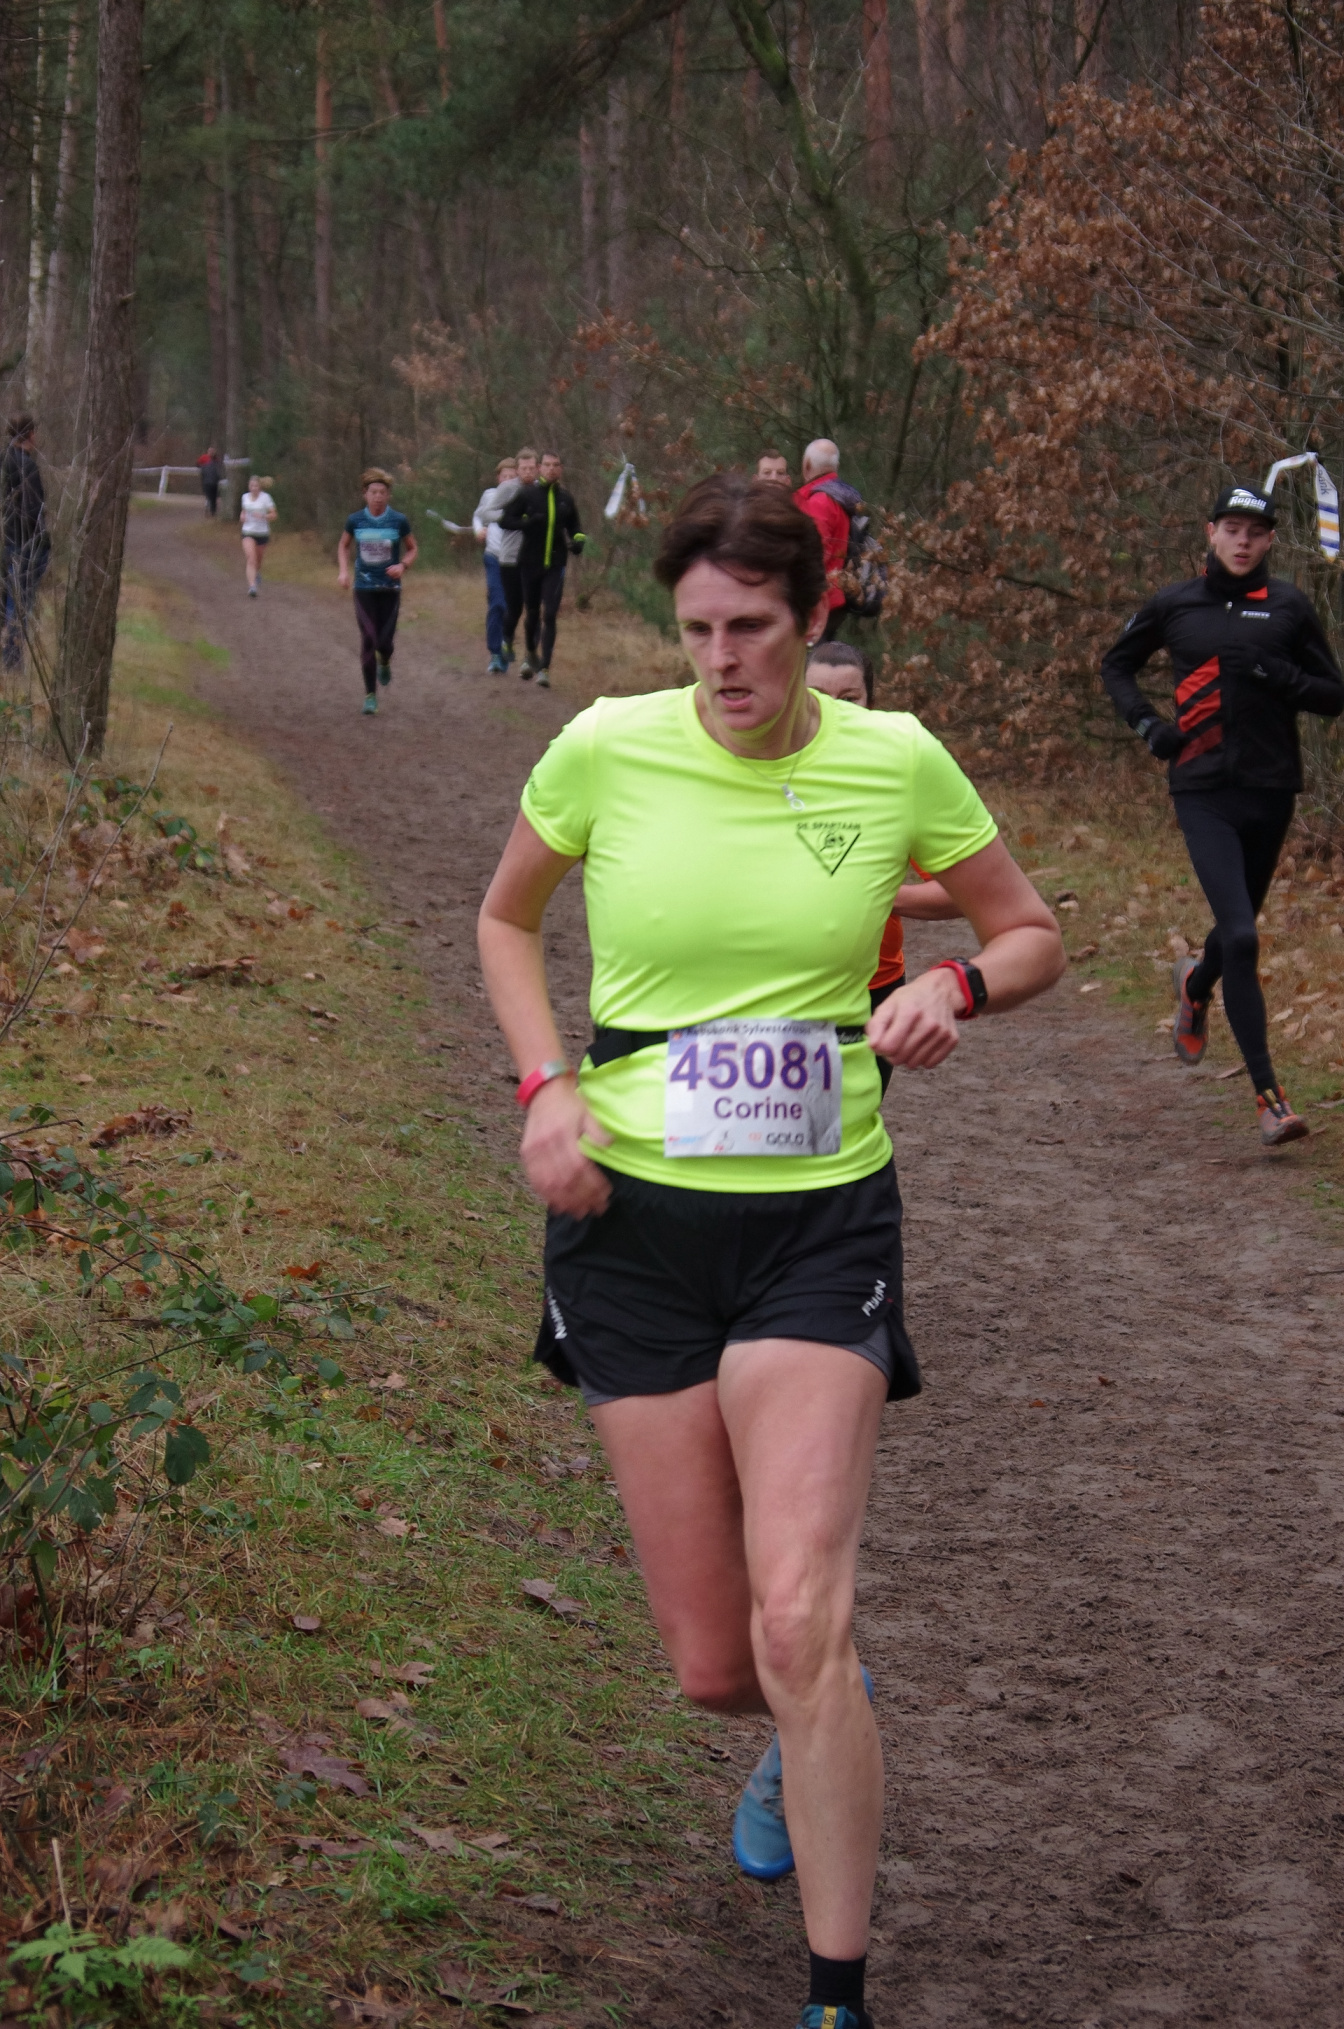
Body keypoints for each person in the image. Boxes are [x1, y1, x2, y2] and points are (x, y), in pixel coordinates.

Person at [478, 474, 1064, 2029]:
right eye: (696, 632)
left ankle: (834, 1995)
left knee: (798, 1612)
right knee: (718, 1660)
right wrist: (544, 1090)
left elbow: (1031, 931)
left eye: (751, 628)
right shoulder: (608, 745)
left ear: (815, 620)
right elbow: (505, 920)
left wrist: (955, 987)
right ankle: (819, 1710)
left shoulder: (894, 759)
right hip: (630, 1228)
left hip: (820, 1220)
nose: (722, 660)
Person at [1101, 480, 1344, 1147]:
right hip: (1202, 789)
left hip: (1270, 790)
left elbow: (1333, 694)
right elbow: (1117, 666)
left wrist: (1275, 675)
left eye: (1255, 532)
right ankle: (1270, 1098)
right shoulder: (1175, 603)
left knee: (1235, 935)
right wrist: (1149, 725)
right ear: (1210, 533)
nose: (1242, 541)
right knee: (1240, 935)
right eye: (1231, 529)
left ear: (1270, 541)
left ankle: (1195, 982)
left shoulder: (1288, 606)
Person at [806, 643, 962, 1094]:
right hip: (777, 986)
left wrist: (879, 894)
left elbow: (961, 893)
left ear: (870, 703)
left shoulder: (897, 779)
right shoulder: (761, 773)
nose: (835, 710)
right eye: (818, 696)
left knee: (850, 1122)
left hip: (874, 987)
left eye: (849, 698)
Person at [500, 449, 586, 689]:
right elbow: (506, 520)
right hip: (529, 563)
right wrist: (527, 522)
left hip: (556, 564)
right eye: (547, 465)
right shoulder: (527, 494)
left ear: (560, 469)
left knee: (549, 615)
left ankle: (545, 669)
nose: (551, 469)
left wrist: (578, 541)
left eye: (555, 465)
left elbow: (575, 527)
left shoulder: (566, 498)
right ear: (540, 468)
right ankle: (530, 653)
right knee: (532, 613)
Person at [337, 468, 417, 716]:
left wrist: (402, 566)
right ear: (365, 494)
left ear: (388, 495)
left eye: (382, 492)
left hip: (390, 589)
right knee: (369, 639)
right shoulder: (355, 520)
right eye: (373, 492)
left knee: (384, 642)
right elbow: (344, 545)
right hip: (364, 588)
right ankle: (370, 695)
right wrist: (343, 571)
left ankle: (385, 659)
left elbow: (412, 548)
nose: (378, 497)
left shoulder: (399, 520)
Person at [2, 416, 49, 674]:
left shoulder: (3, 460)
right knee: (19, 604)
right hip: (26, 545)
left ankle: (9, 657)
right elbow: (33, 511)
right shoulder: (26, 466)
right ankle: (11, 660)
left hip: (8, 542)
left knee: (9, 601)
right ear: (30, 434)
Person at [794, 439, 850, 643]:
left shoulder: (819, 501)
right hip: (836, 595)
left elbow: (815, 555)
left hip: (818, 599)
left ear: (807, 465)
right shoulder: (843, 497)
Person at [473, 456, 519, 674]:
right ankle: (495, 654)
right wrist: (478, 530)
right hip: (493, 556)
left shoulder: (521, 495)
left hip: (515, 560)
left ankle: (505, 646)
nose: (508, 480)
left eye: (512, 476)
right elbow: (477, 517)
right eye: (504, 476)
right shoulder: (490, 495)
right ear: (498, 478)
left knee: (510, 607)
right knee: (497, 603)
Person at [239, 474, 277, 598]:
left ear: (260, 487)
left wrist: (263, 516)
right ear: (249, 486)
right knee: (251, 558)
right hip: (248, 532)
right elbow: (244, 510)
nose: (254, 488)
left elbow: (274, 515)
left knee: (258, 561)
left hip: (262, 533)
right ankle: (252, 586)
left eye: (256, 486)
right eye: (252, 486)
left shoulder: (266, 498)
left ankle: (256, 572)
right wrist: (242, 516)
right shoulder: (244, 497)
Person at [197, 446, 222, 518]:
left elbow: (218, 469)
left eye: (212, 451)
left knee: (212, 497)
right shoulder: (204, 458)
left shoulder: (217, 460)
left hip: (212, 482)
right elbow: (198, 464)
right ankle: (210, 510)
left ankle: (212, 511)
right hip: (208, 481)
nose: (211, 453)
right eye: (210, 451)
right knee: (209, 497)